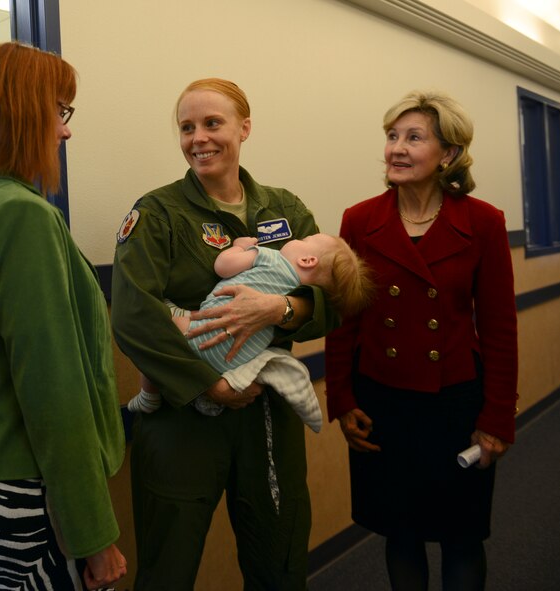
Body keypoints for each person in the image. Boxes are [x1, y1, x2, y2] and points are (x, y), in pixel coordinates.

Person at [111, 78, 341, 590]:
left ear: (245, 128)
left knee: (279, 564)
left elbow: (333, 303)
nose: (199, 138)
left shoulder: (285, 210)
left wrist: (277, 308)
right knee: (167, 570)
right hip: (181, 419)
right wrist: (205, 384)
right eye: (187, 127)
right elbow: (132, 314)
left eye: (213, 123)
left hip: (265, 413)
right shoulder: (158, 213)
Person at [0, 42, 127, 591]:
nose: (65, 131)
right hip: (18, 483)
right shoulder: (22, 215)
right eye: (58, 110)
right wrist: (93, 536)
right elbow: (53, 393)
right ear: (19, 110)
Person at [324, 90, 518, 590]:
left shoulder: (484, 222)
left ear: (447, 155)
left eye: (414, 138)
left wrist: (496, 418)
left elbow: (498, 328)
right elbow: (345, 319)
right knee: (400, 534)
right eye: (392, 137)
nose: (397, 149)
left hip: (454, 403)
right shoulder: (360, 219)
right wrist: (342, 399)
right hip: (383, 401)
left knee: (461, 537)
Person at [128, 233, 373, 424]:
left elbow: (222, 266)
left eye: (304, 240)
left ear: (307, 260)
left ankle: (149, 396)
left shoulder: (270, 257)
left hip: (202, 338)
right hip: (232, 362)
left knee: (162, 325)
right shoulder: (297, 294)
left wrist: (239, 246)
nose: (296, 239)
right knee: (195, 319)